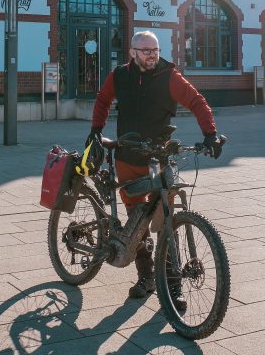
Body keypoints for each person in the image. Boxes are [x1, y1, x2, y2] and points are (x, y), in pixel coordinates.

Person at [90, 30, 224, 305]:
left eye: (156, 50)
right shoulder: (119, 76)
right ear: (132, 52)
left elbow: (196, 101)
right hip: (127, 158)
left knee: (165, 224)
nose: (152, 55)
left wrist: (210, 134)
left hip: (158, 159)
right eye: (146, 50)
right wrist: (95, 130)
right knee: (135, 223)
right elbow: (103, 99)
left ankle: (173, 285)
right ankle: (146, 276)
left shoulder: (169, 76)